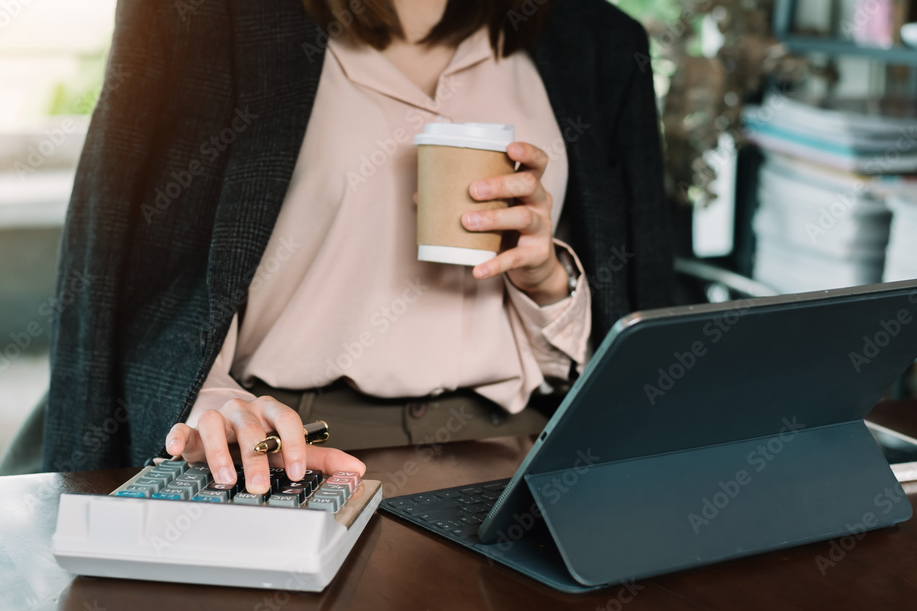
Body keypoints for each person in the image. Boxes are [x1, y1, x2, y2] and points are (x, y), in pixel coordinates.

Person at [41, 0, 674, 489]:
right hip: (293, 447)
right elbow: (126, 266)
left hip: (515, 451)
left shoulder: (600, 44)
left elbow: (637, 312)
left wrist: (546, 279)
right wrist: (207, 398)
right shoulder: (211, 22)